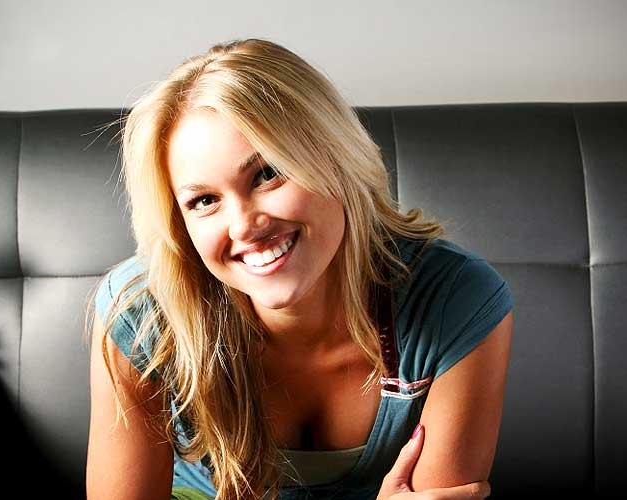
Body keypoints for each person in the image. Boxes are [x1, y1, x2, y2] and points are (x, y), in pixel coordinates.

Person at [84, 38, 513, 500]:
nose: (243, 226)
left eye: (268, 174)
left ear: (335, 157)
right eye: (204, 200)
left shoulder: (455, 299)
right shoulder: (139, 312)